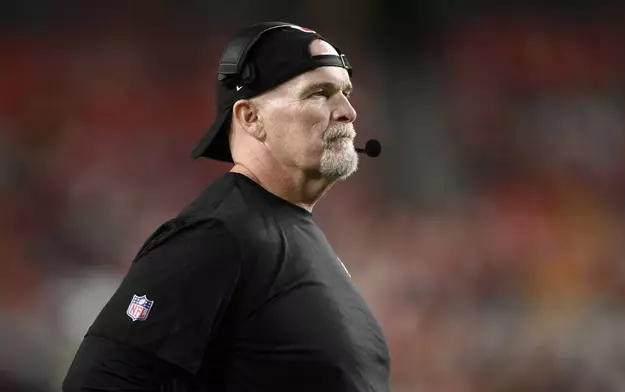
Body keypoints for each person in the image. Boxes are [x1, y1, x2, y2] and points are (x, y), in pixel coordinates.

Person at [62, 22, 391, 392]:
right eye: (319, 93)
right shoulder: (218, 235)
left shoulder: (290, 234)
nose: (348, 111)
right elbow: (101, 383)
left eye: (345, 92)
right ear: (250, 118)